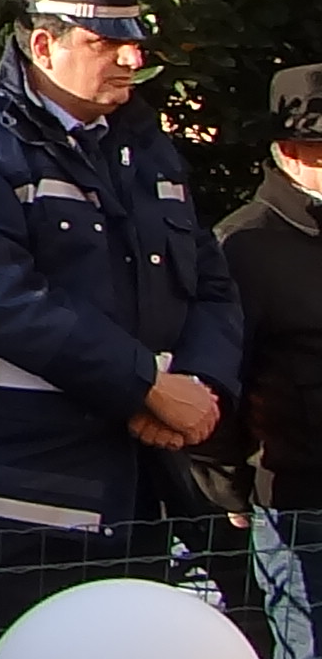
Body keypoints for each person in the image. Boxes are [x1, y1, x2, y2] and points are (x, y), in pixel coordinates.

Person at [0, 0, 242, 643]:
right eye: (105, 42)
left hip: (139, 475)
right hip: (20, 486)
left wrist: (196, 385)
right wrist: (143, 384)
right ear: (45, 45)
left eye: (133, 40)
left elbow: (210, 282)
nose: (130, 56)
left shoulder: (145, 147)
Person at [213, 63, 322, 657]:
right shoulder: (243, 244)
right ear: (286, 151)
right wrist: (231, 489)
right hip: (300, 498)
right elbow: (219, 377)